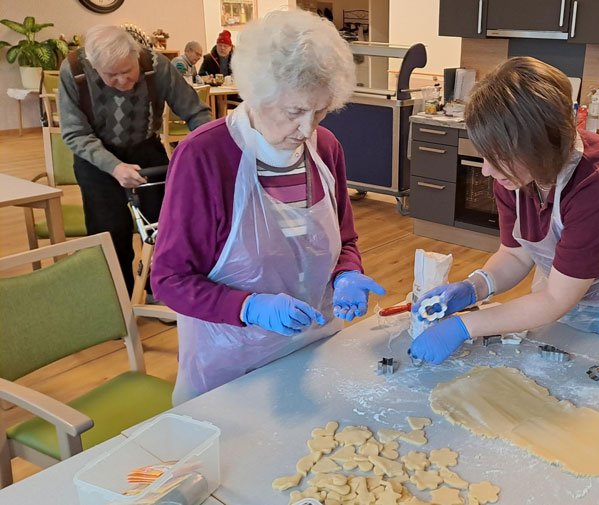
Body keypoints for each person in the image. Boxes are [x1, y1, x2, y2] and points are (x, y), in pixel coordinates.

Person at [151, 10, 385, 404]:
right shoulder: (205, 157)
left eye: (321, 110)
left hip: (314, 351)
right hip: (232, 365)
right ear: (258, 94)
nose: (308, 129)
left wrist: (346, 273)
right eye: (295, 112)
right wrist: (249, 306)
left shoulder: (325, 149)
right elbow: (169, 280)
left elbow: (344, 239)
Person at [409, 57, 599, 365]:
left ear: (539, 145)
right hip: (564, 292)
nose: (487, 171)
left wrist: (464, 327)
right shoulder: (515, 174)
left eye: (497, 156)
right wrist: (474, 287)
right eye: (484, 155)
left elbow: (557, 298)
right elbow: (516, 255)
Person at [58, 25, 211, 294]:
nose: (122, 81)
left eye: (127, 72)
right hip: (97, 158)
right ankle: (120, 301)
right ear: (94, 66)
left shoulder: (157, 66)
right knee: (109, 229)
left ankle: (165, 289)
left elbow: (195, 112)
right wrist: (114, 167)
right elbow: (75, 133)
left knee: (166, 225)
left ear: (136, 54)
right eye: (111, 75)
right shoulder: (73, 72)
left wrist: (209, 147)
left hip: (145, 147)